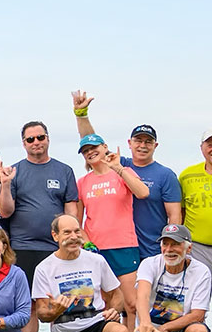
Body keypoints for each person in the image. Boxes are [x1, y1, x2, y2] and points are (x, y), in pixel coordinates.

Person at [0, 120, 79, 332]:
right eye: (30, 139)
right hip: (23, 247)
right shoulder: (14, 171)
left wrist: (74, 240)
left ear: (48, 139)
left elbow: (72, 210)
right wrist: (6, 184)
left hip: (57, 249)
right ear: (24, 143)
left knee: (62, 303)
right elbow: (5, 211)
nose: (36, 143)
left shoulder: (64, 170)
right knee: (30, 305)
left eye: (40, 137)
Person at [75, 132, 150, 332]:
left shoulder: (122, 171)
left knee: (130, 304)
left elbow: (142, 193)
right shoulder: (83, 182)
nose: (90, 152)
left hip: (125, 246)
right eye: (85, 151)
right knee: (106, 307)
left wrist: (119, 168)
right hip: (97, 251)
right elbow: (78, 220)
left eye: (94, 147)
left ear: (104, 147)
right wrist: (87, 243)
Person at [73, 90, 182, 259]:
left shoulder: (166, 175)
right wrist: (81, 114)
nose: (143, 146)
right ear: (129, 144)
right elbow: (92, 143)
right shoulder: (118, 164)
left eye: (148, 142)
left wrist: (171, 246)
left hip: (153, 248)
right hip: (121, 246)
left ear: (156, 145)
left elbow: (174, 216)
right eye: (138, 141)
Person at [179, 129, 212, 271]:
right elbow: (181, 212)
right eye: (210, 144)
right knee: (198, 291)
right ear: (202, 148)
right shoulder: (187, 176)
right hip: (197, 248)